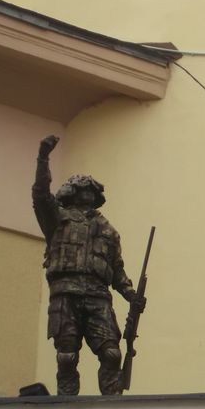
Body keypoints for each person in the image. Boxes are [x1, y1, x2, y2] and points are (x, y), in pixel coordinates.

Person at [32, 135, 144, 395]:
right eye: (83, 188)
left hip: (97, 296)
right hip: (65, 293)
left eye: (92, 190)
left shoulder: (108, 230)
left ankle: (112, 404)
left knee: (112, 353)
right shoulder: (56, 219)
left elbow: (117, 271)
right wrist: (43, 157)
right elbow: (40, 195)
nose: (88, 193)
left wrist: (132, 295)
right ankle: (66, 405)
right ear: (71, 192)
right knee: (66, 356)